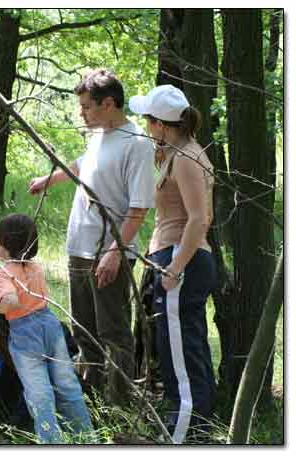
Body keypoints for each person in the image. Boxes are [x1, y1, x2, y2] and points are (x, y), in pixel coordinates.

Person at [29, 69, 155, 407]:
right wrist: (49, 179)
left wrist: (115, 252)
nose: (81, 113)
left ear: (109, 103)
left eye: (86, 106)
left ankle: (118, 407)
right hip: (79, 249)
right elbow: (83, 166)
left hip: (110, 252)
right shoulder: (99, 134)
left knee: (113, 333)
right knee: (83, 330)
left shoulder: (138, 143)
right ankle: (92, 403)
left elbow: (139, 209)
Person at [129, 85, 216, 443]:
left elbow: (200, 218)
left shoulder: (187, 158)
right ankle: (194, 429)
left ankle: (184, 436)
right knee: (183, 348)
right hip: (175, 258)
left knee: (180, 356)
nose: (146, 126)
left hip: (183, 260)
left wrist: (175, 268)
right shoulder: (178, 153)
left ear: (162, 124)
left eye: (149, 120)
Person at [0, 213, 92, 444]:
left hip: (24, 332)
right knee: (67, 384)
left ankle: (50, 440)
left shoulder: (4, 273)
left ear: (6, 244)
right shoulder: (35, 267)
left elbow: (10, 301)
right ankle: (85, 436)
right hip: (50, 324)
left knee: (40, 393)